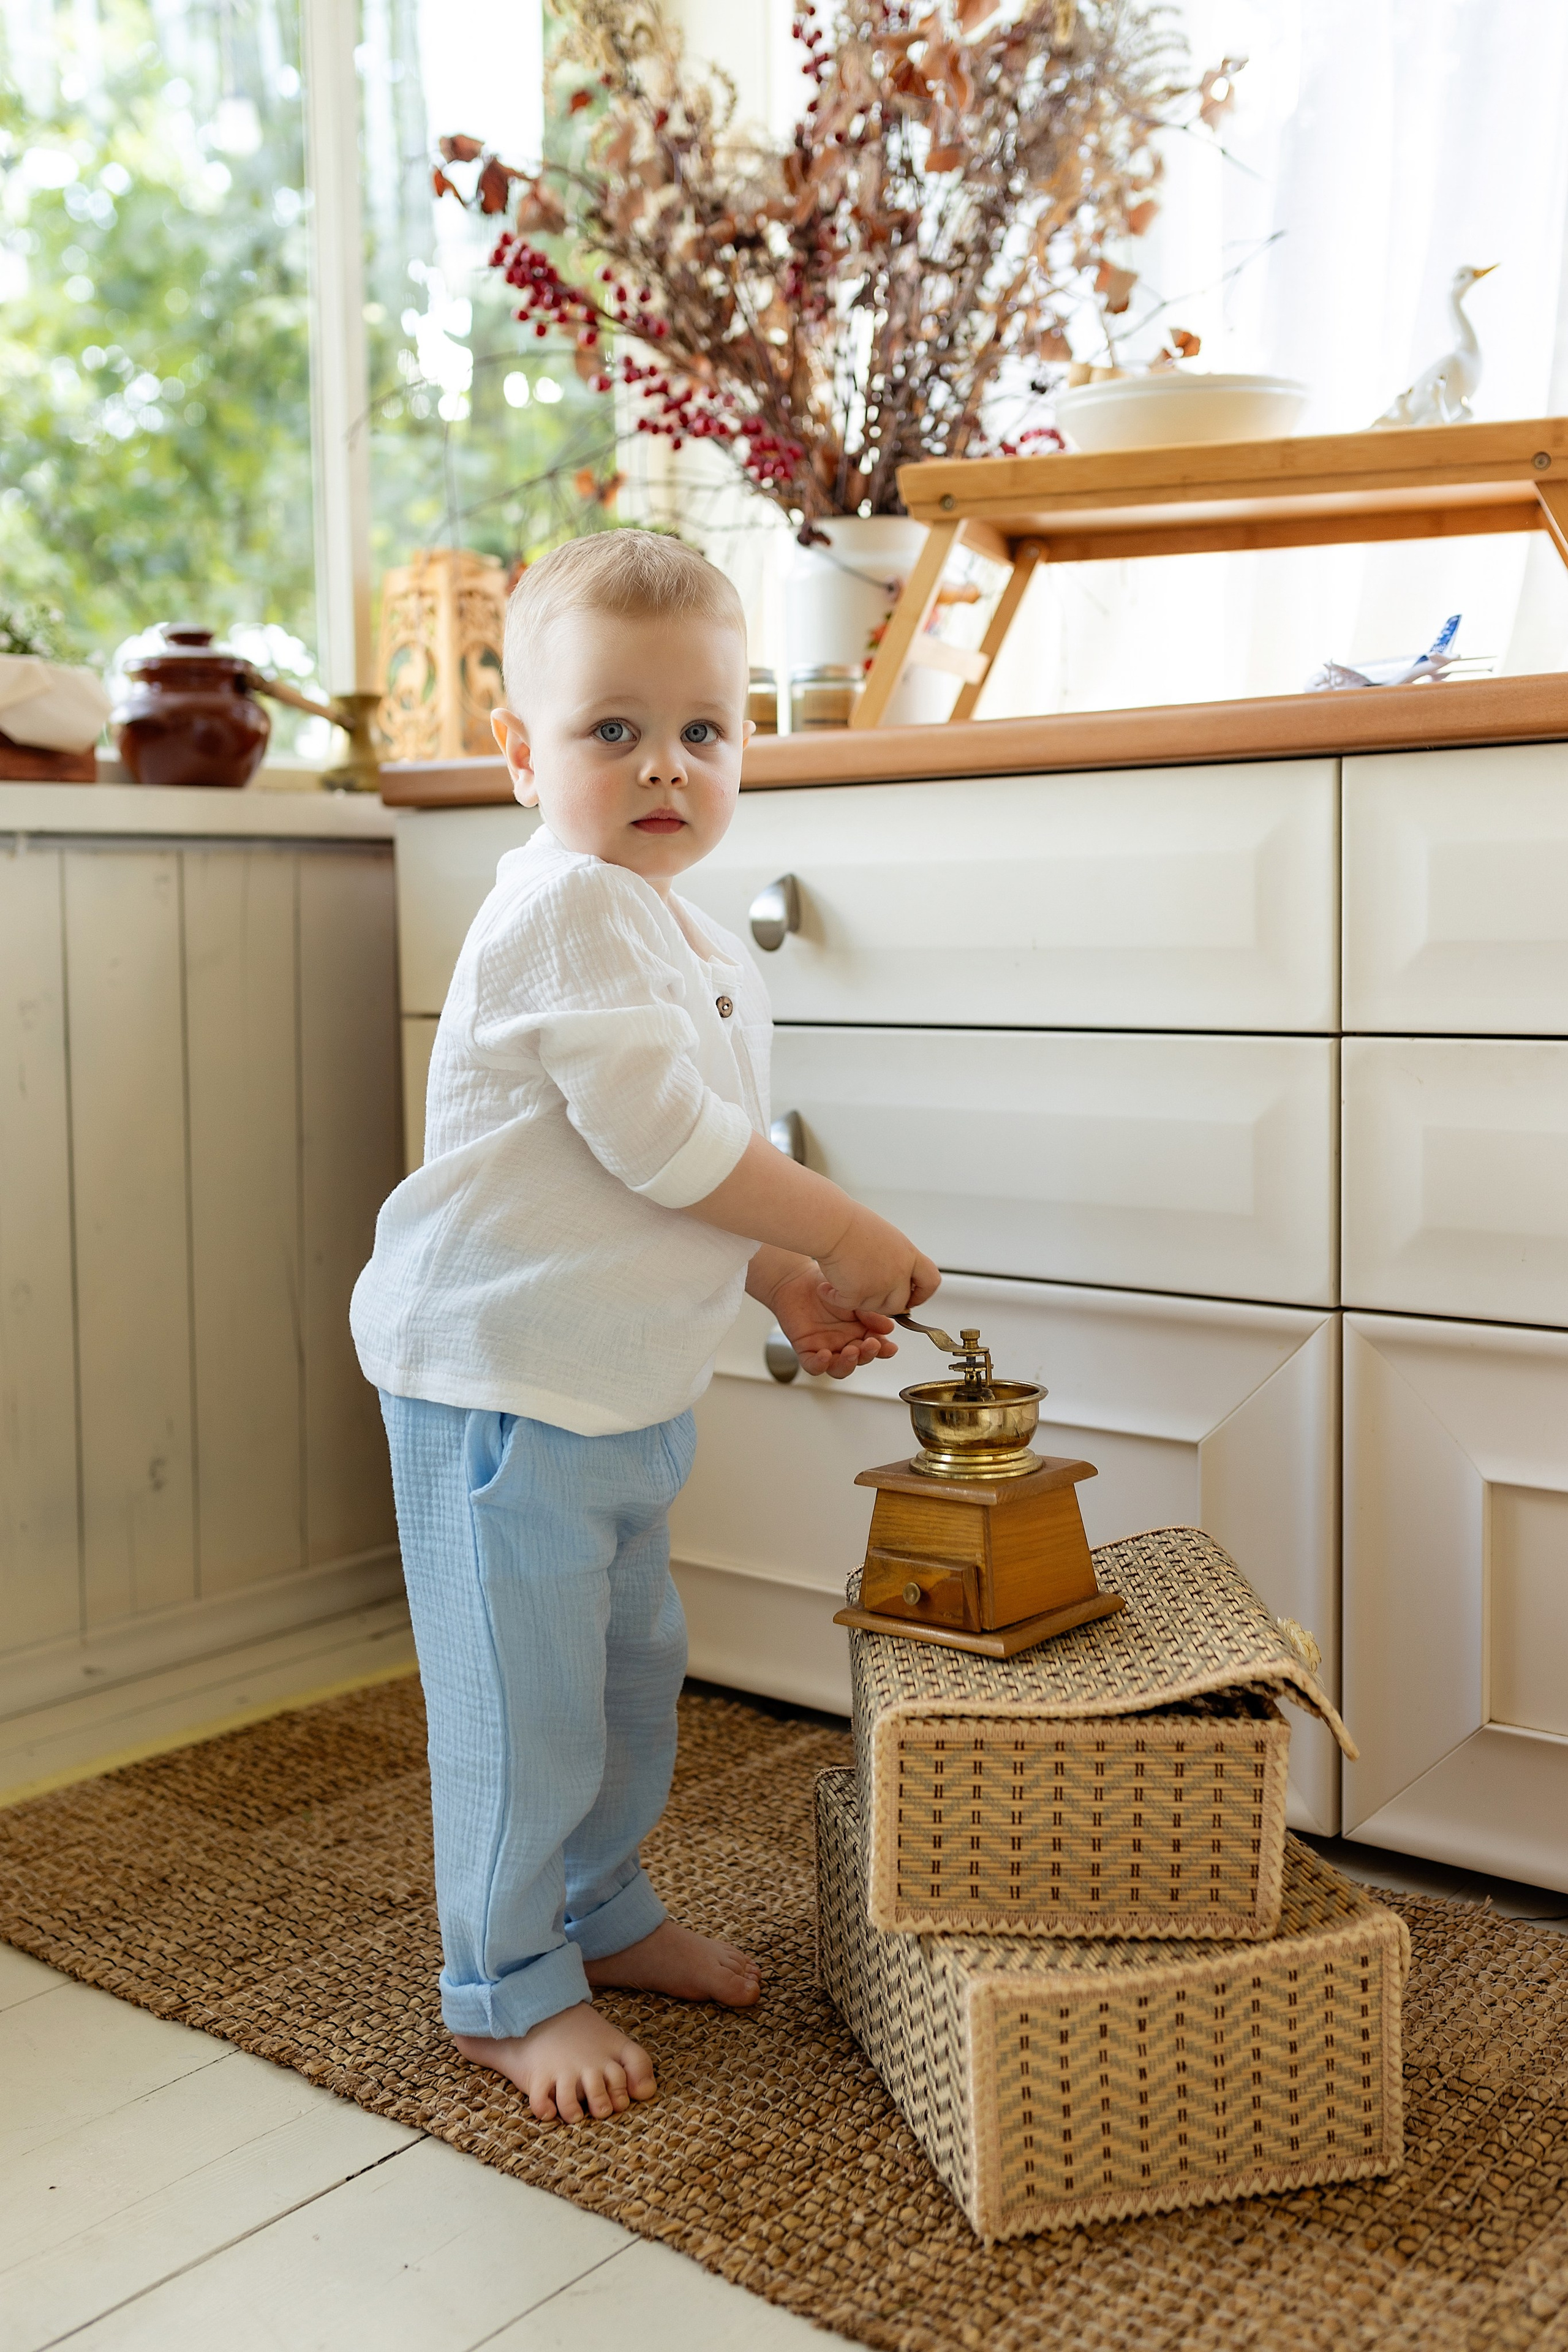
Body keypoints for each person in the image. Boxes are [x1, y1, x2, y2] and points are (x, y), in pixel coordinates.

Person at [351, 530, 939, 2127]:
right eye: (613, 730)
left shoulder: (673, 926)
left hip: (608, 1384)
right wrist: (840, 1228)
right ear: (521, 754)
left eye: (706, 730)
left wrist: (782, 1282)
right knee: (516, 1698)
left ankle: (597, 1909)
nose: (665, 765)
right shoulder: (563, 909)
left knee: (626, 1674)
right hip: (499, 1382)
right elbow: (664, 1148)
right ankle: (502, 1986)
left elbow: (657, 1175)